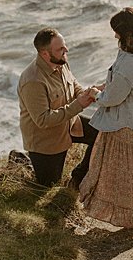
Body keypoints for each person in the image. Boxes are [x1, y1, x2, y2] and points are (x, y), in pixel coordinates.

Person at [77, 6, 133, 230]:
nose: (114, 35)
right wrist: (104, 86)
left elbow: (113, 98)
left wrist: (96, 94)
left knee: (128, 180)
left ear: (127, 33)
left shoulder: (130, 61)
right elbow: (126, 84)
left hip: (128, 124)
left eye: (116, 31)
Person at [17, 27, 101, 187]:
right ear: (45, 54)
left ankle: (78, 178)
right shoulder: (33, 81)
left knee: (101, 134)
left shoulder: (61, 62)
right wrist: (79, 105)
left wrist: (86, 93)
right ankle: (20, 159)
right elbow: (43, 120)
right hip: (46, 141)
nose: (66, 50)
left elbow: (73, 83)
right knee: (48, 186)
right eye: (60, 49)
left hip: (70, 125)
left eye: (65, 46)